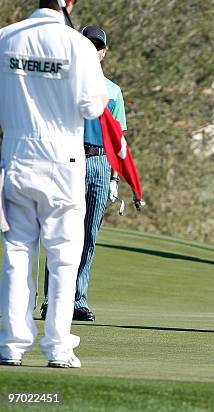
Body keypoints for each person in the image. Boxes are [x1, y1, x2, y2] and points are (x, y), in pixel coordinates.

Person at [0, 0, 108, 368]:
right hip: (63, 159)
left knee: (17, 253)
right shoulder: (79, 46)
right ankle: (58, 346)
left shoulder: (5, 38)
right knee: (63, 258)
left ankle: (11, 345)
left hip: (16, 155)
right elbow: (92, 107)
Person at [40, 25, 128, 322]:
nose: (93, 49)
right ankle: (52, 299)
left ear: (104, 52)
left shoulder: (113, 91)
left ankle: (77, 299)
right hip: (69, 160)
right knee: (61, 231)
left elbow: (118, 140)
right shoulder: (65, 84)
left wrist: (115, 178)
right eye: (88, 44)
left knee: (89, 234)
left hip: (101, 164)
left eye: (98, 46)